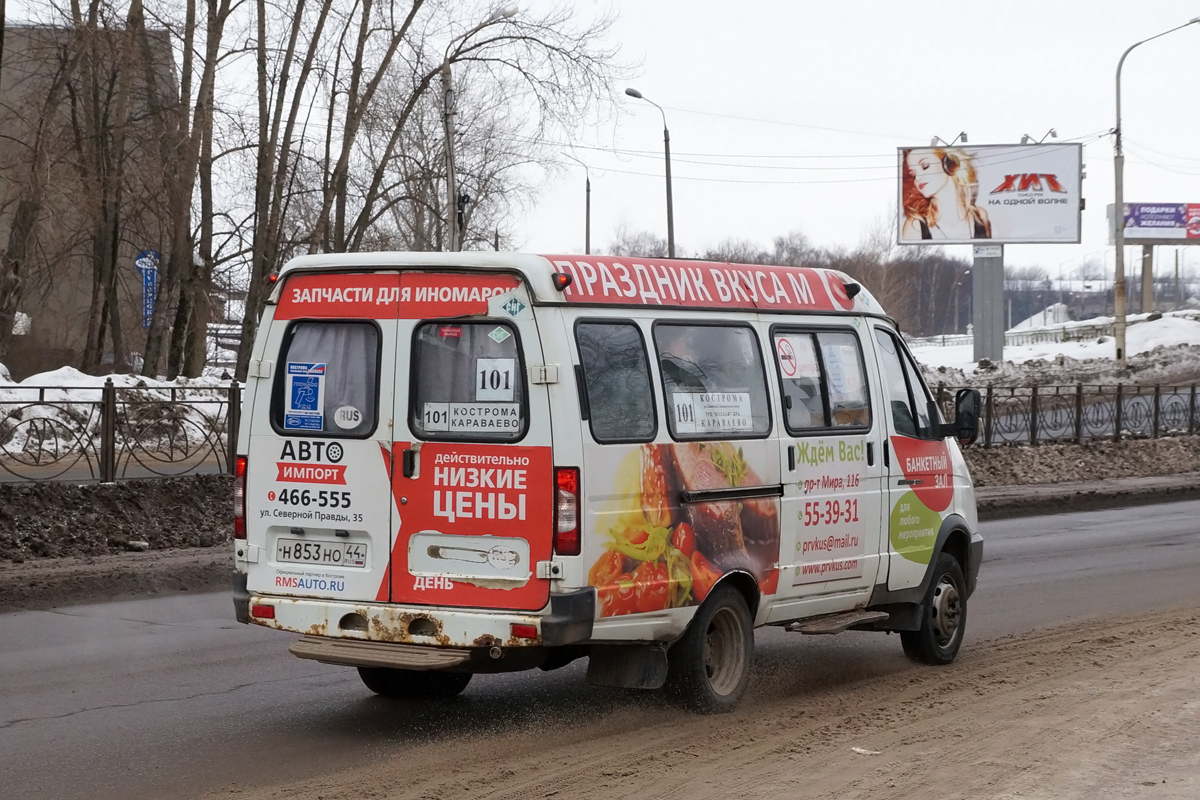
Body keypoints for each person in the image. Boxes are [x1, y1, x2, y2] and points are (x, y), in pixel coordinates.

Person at [900, 147, 992, 241]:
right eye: (913, 174)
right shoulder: (914, 227)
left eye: (925, 166)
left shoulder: (980, 215)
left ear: (948, 163)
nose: (918, 177)